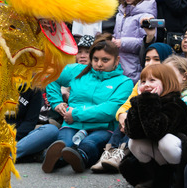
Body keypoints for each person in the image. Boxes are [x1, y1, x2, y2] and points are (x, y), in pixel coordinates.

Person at [120, 64, 187, 188]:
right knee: (134, 142)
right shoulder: (144, 102)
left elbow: (156, 131)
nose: (146, 84)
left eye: (152, 80)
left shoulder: (175, 103)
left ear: (166, 82)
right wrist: (140, 103)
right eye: (143, 81)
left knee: (165, 141)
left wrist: (148, 102)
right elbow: (132, 132)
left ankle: (177, 179)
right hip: (161, 154)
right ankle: (151, 176)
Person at [41, 37, 133, 173]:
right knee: (64, 143)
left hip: (101, 127)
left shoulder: (124, 82)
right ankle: (55, 159)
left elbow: (109, 110)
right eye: (95, 59)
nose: (99, 64)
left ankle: (80, 159)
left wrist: (76, 114)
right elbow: (51, 77)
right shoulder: (77, 70)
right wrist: (56, 102)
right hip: (72, 123)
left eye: (105, 60)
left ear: (117, 61)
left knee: (89, 144)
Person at [91, 42, 174, 173]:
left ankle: (121, 153)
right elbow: (127, 103)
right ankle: (109, 152)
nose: (150, 63)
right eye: (147, 59)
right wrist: (122, 115)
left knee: (134, 112)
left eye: (156, 59)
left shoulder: (169, 82)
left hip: (157, 130)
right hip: (138, 126)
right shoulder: (142, 82)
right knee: (128, 112)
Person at [113, 0, 156, 82]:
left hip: (134, 64)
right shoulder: (121, 12)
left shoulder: (145, 13)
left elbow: (145, 43)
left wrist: (122, 42)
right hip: (118, 61)